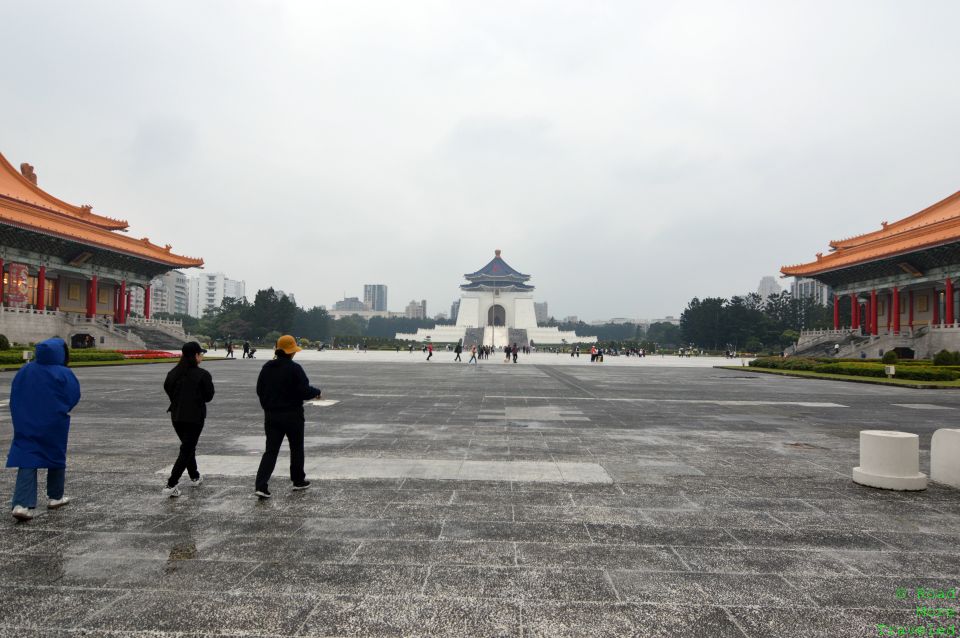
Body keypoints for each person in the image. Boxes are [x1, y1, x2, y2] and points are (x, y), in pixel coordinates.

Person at [6, 338, 81, 521]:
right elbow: (73, 395)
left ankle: (22, 504)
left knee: (27, 457)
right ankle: (55, 497)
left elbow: (15, 393)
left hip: (26, 420)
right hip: (54, 421)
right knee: (55, 455)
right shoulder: (63, 372)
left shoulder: (25, 370)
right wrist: (61, 409)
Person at [254, 335, 322, 498]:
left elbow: (259, 390)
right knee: (296, 448)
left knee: (271, 451)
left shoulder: (267, 367)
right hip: (293, 415)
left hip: (272, 415)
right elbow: (304, 390)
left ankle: (261, 485)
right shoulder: (295, 368)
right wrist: (317, 392)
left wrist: (267, 407)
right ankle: (298, 480)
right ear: (291, 351)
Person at [162, 342, 215, 497]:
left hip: (177, 415)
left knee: (188, 447)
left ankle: (195, 476)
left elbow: (168, 389)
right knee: (187, 449)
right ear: (196, 355)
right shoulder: (203, 374)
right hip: (194, 416)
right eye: (201, 354)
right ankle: (171, 484)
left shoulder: (173, 373)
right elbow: (209, 396)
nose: (202, 356)